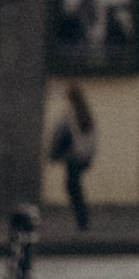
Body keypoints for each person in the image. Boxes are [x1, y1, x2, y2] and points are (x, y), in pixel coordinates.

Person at [47, 82, 98, 235]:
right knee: (74, 186)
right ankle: (83, 221)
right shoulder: (87, 113)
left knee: (73, 187)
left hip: (72, 155)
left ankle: (82, 222)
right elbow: (93, 139)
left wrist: (52, 153)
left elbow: (59, 134)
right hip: (84, 156)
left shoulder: (69, 113)